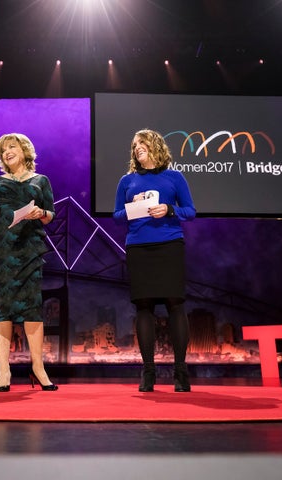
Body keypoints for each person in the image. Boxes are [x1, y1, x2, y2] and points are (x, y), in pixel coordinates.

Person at [113, 128, 197, 392]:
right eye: (135, 144)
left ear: (155, 146)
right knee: (144, 308)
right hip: (138, 247)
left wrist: (169, 209)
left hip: (170, 244)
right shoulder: (127, 181)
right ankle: (148, 372)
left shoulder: (175, 177)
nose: (137, 147)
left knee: (175, 305)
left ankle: (180, 373)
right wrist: (131, 206)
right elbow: (116, 216)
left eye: (143, 143)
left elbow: (191, 211)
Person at [0, 132, 58, 392]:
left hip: (30, 249)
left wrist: (40, 212)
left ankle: (38, 368)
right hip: (1, 249)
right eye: (2, 150)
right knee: (2, 308)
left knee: (32, 308)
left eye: (11, 147)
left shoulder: (41, 180)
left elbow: (50, 214)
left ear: (24, 150)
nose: (6, 152)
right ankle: (4, 369)